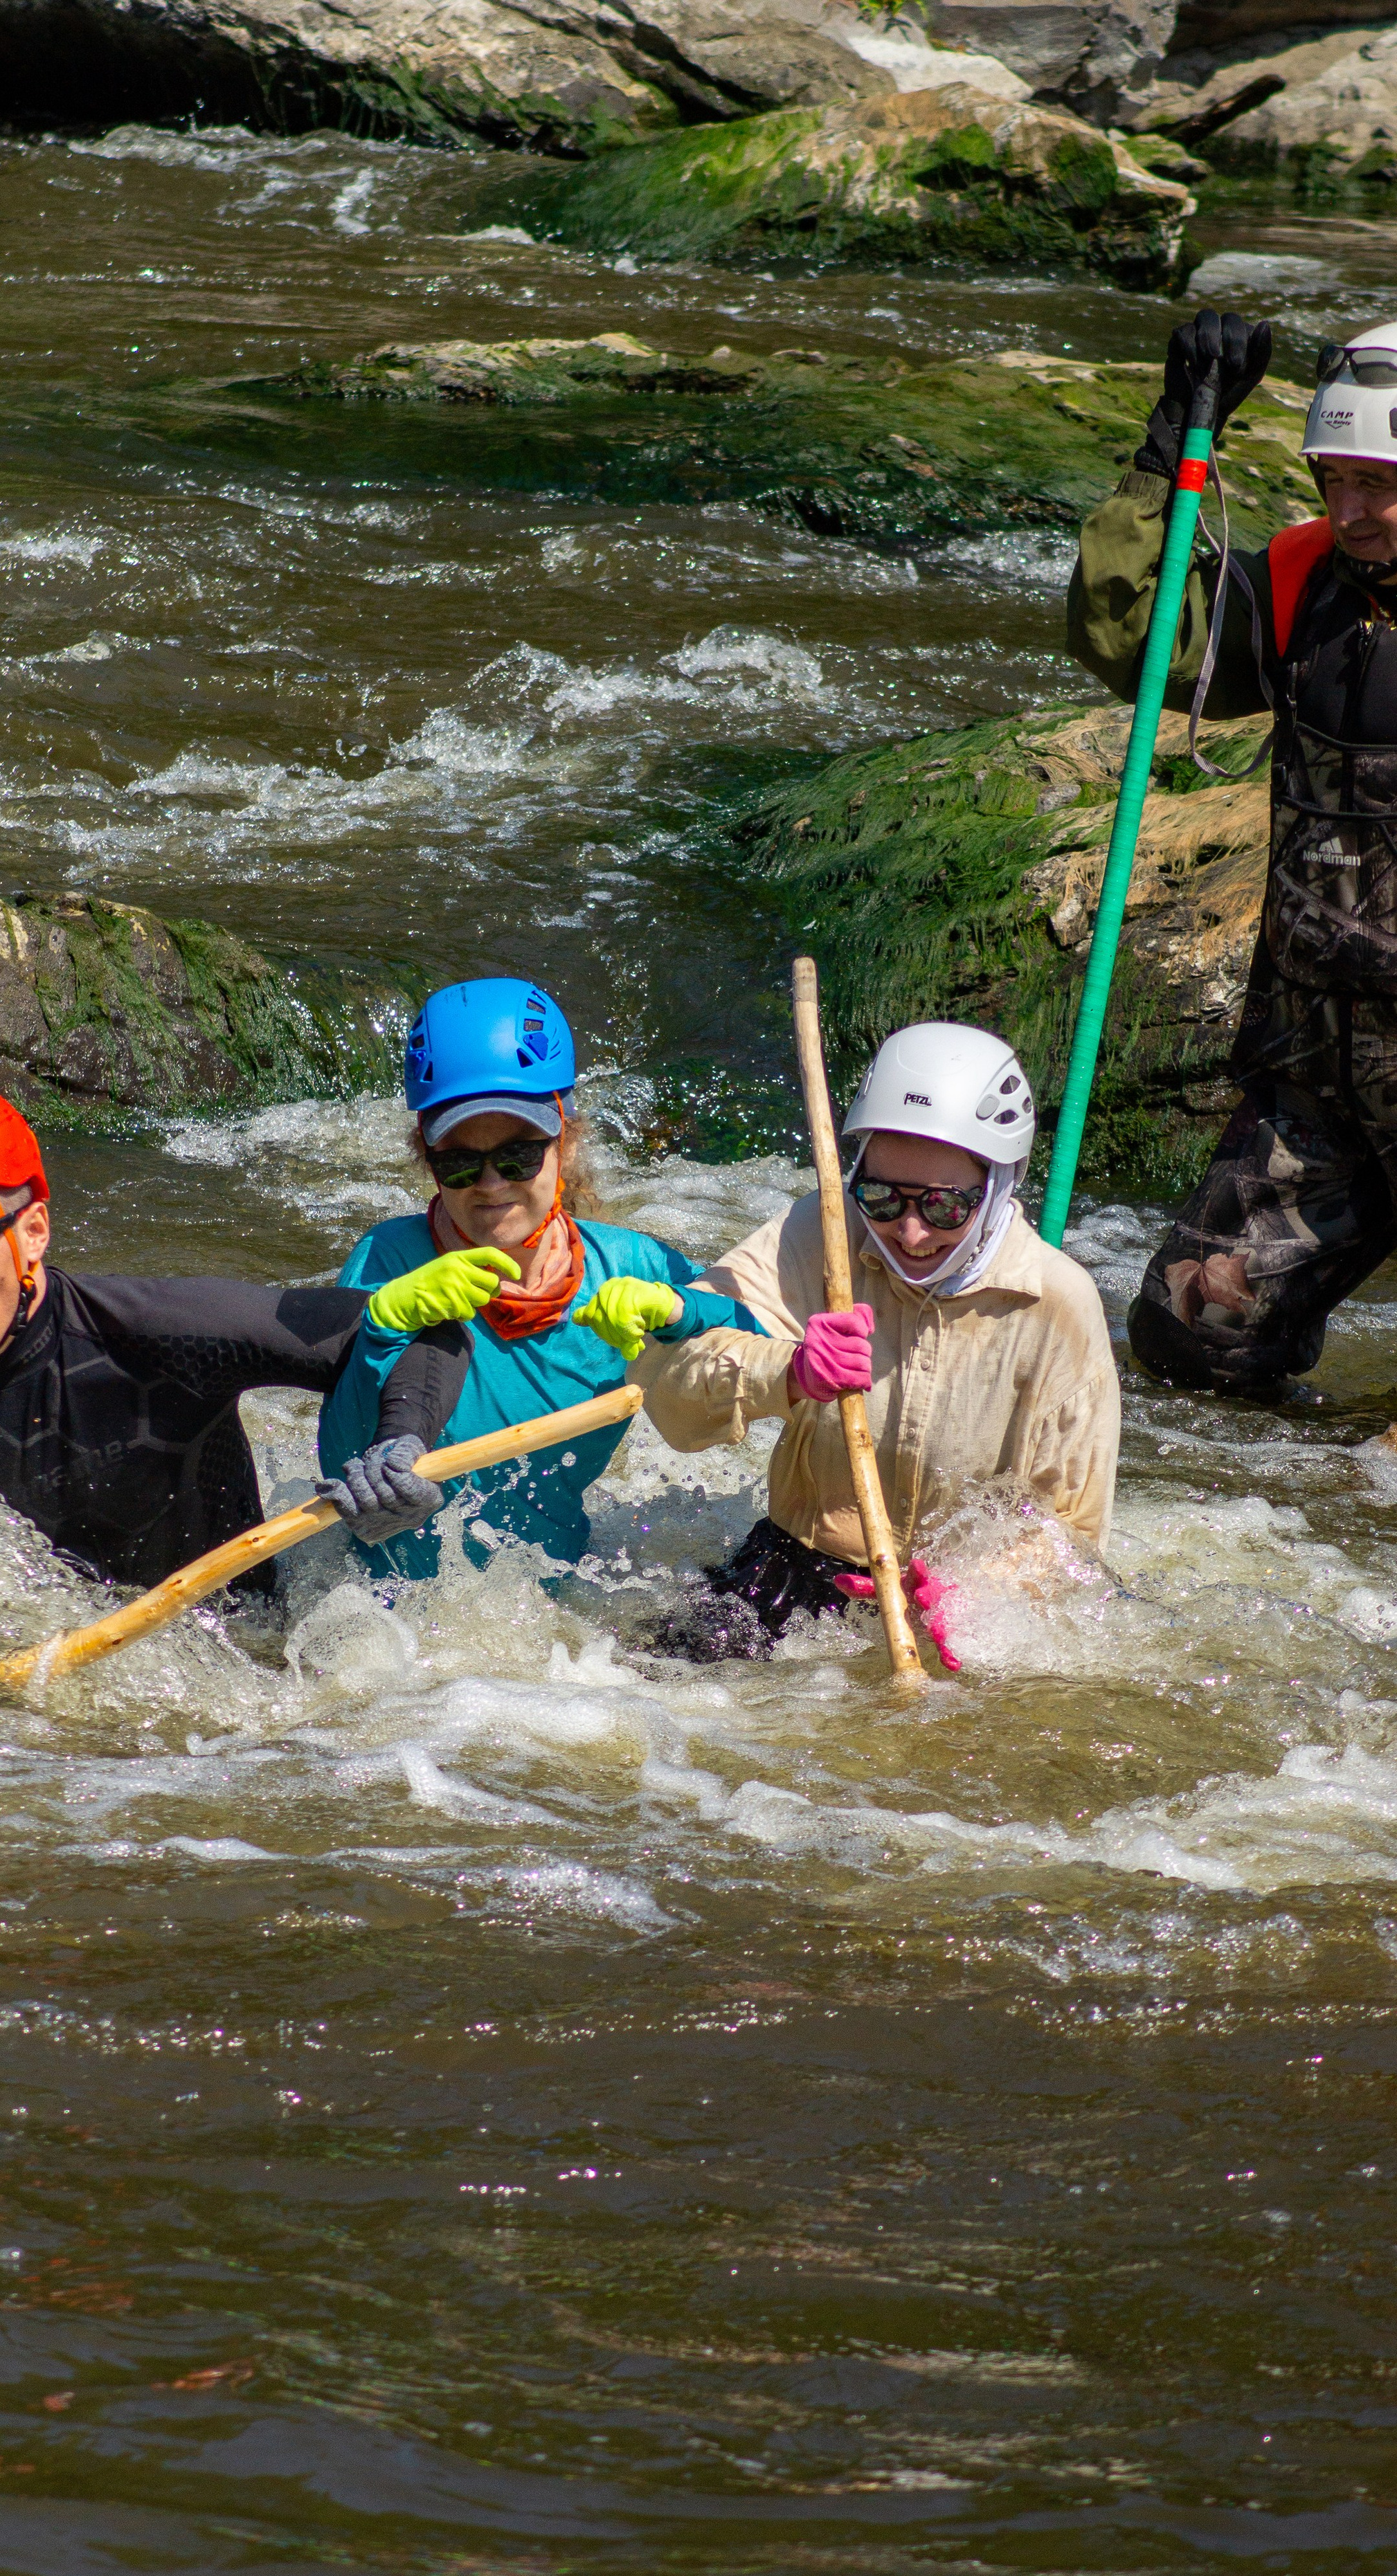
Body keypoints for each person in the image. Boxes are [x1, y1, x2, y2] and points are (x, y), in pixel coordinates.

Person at [1069, 305, 1397, 1393]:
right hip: (1316, 1076)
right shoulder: (1307, 583)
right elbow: (1134, 636)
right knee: (1193, 1334)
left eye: (1377, 487)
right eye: (1330, 479)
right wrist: (1175, 438)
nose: (1349, 511)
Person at [0, 1080, 473, 1591]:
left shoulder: (160, 1332)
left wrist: (399, 1444)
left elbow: (420, 1330)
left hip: (251, 1669)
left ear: (33, 1231)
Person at [632, 1023, 1119, 1661]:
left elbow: (1074, 1540)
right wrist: (788, 1372)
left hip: (960, 1610)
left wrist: (973, 1591)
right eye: (883, 1196)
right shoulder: (819, 1232)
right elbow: (667, 1394)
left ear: (998, 1187)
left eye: (945, 1207)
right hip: (794, 1576)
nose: (910, 1234)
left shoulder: (1059, 1304)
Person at [316, 978, 765, 1572]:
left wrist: (685, 1312)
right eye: (458, 1162)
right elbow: (341, 1447)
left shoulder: (631, 1267)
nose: (492, 1184)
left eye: (518, 1155)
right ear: (428, 1161)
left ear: (566, 1145)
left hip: (555, 1622)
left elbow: (758, 1353)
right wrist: (380, 1329)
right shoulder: (388, 1260)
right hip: (386, 1619)